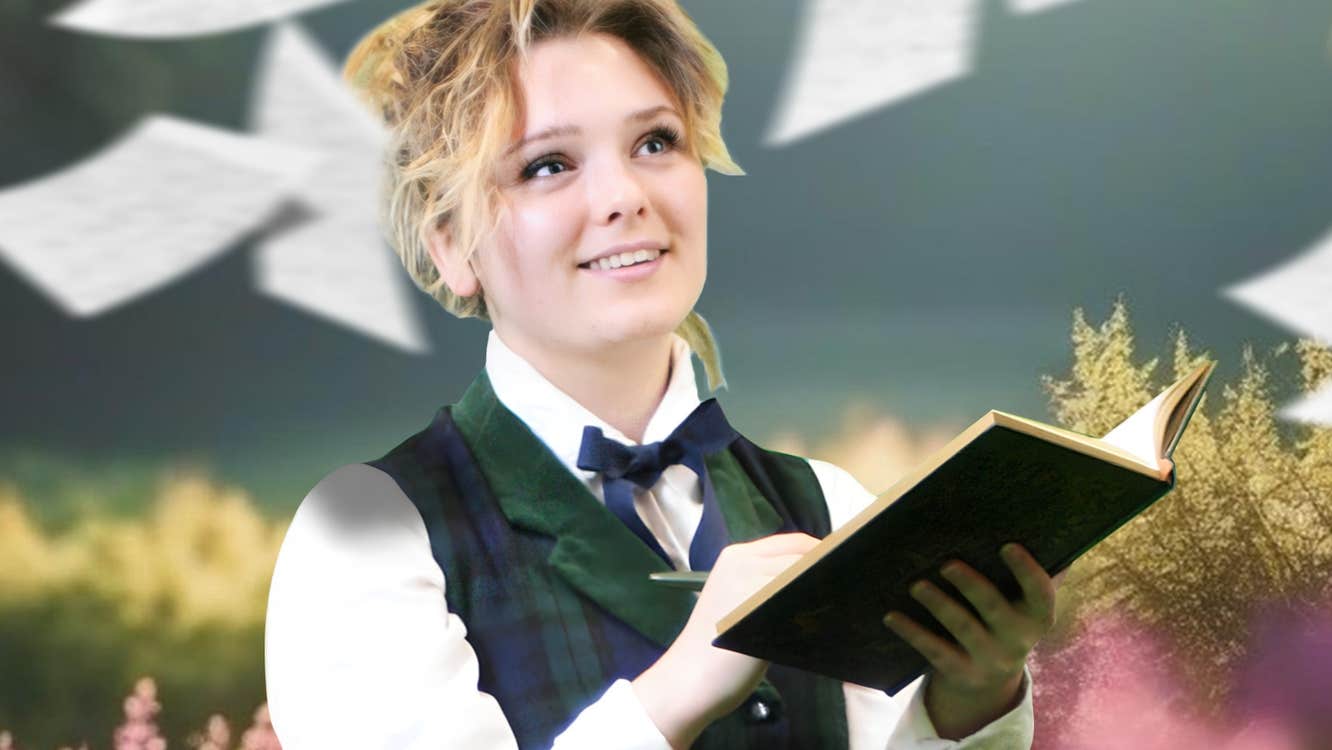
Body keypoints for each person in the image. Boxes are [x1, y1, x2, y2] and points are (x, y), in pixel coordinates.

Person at [263, 1, 1059, 747]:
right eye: (547, 165)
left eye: (655, 143)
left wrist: (971, 705)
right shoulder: (370, 536)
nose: (625, 196)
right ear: (449, 245)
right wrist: (677, 688)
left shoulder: (830, 504)